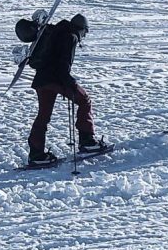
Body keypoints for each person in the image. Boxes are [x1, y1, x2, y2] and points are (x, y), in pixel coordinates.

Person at [27, 13, 108, 165]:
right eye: (86, 31)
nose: (84, 35)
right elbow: (63, 65)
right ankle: (87, 141)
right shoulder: (71, 37)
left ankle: (36, 155)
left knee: (43, 116)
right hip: (56, 79)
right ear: (82, 29)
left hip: (41, 80)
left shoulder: (57, 31)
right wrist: (70, 83)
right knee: (85, 101)